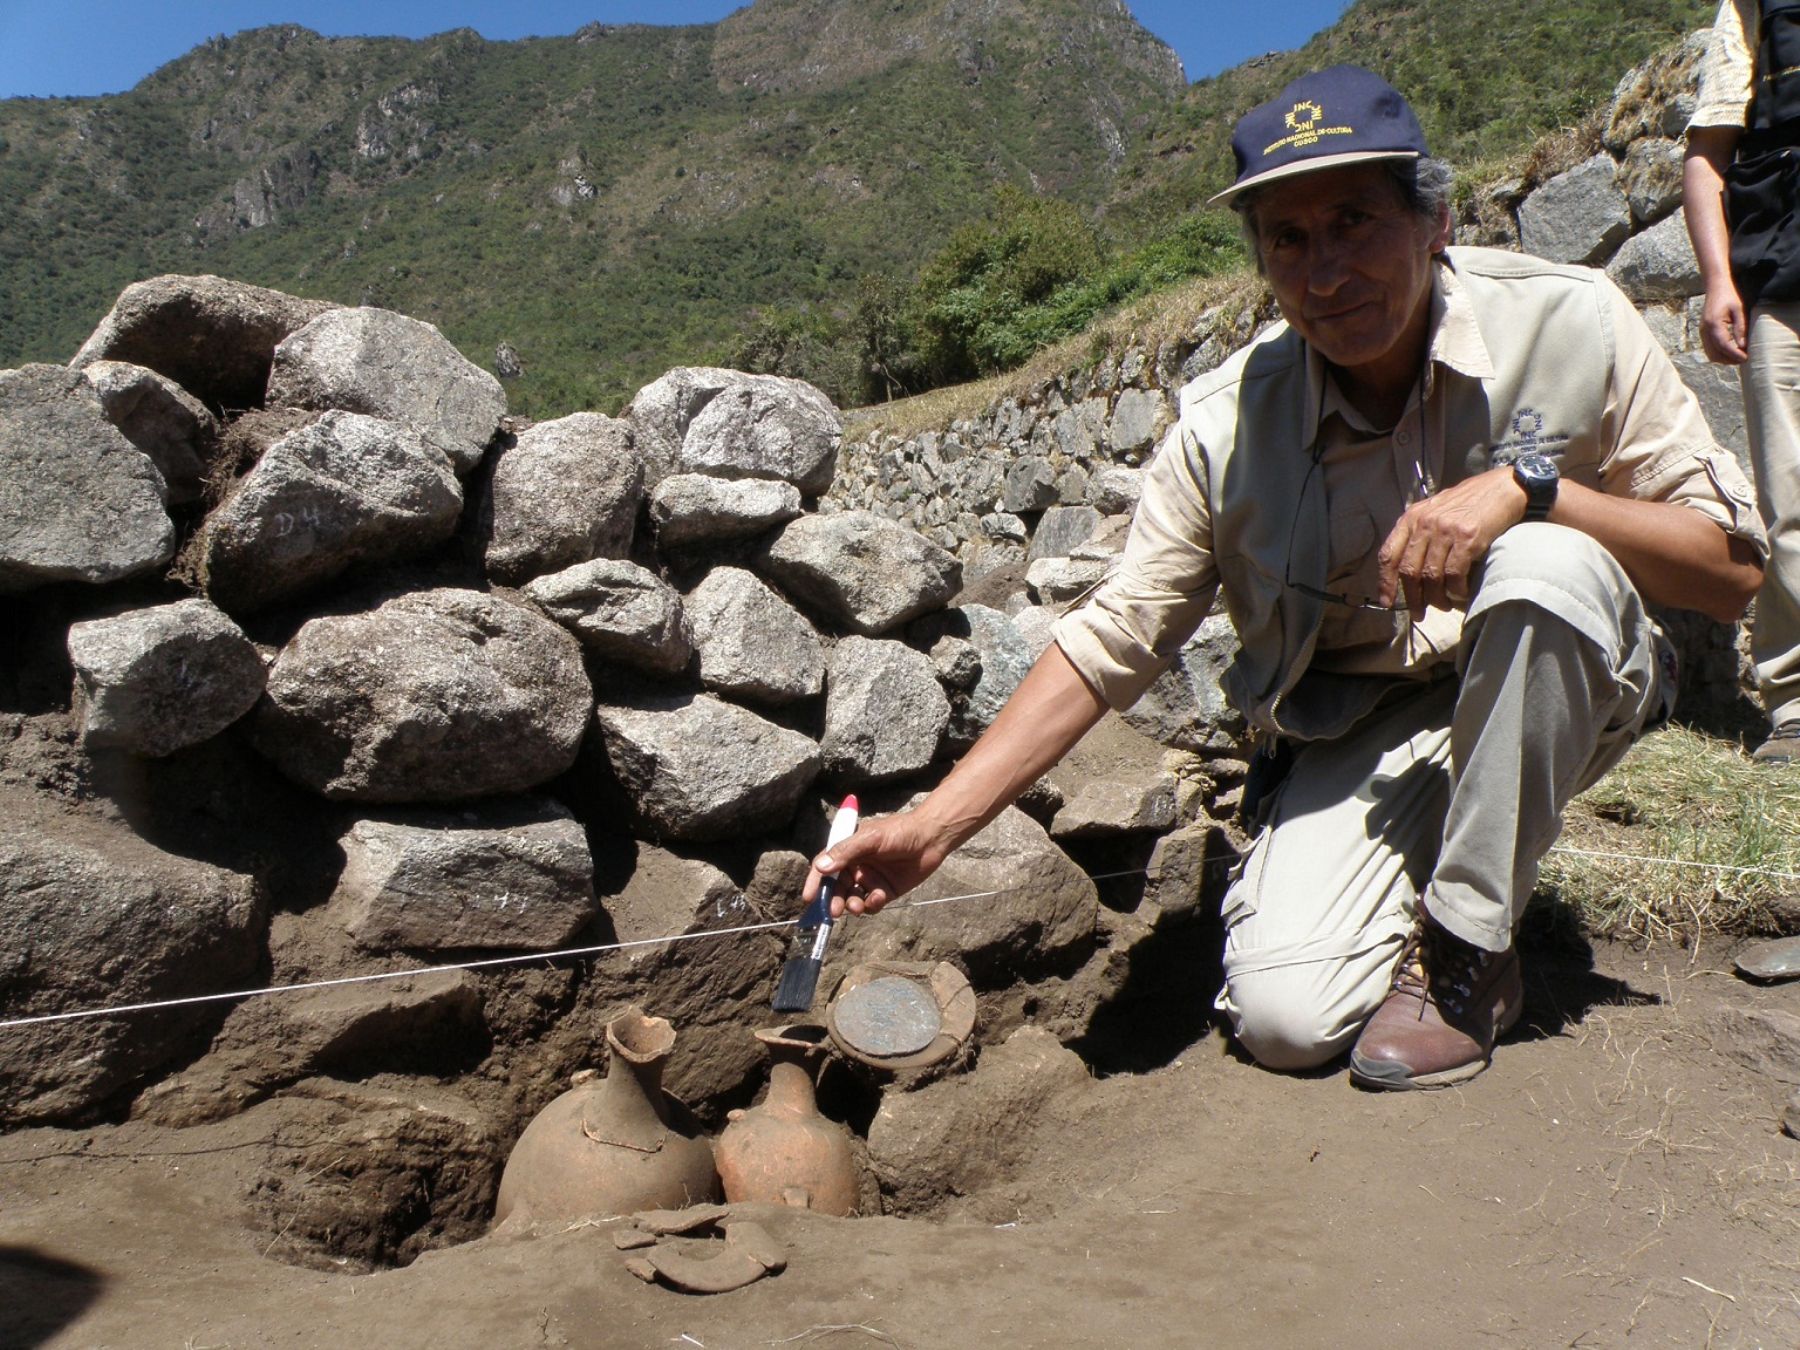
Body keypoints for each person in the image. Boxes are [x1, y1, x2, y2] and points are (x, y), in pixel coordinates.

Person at [806, 66, 1767, 1090]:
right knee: (1285, 1020)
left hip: (1569, 679)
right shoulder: (1225, 426)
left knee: (1543, 561)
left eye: (1354, 221)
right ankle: (1421, 873)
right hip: (1362, 727)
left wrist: (1534, 493)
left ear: (1434, 221)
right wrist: (935, 828)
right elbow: (1115, 639)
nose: (1324, 272)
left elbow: (1734, 572)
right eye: (1289, 239)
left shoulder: (1570, 323)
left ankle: (1466, 953)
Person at [1684, 0, 1800, 763]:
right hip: (1785, 292)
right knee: (1791, 500)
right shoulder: (1754, 8)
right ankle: (1795, 706)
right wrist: (1718, 280)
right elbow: (1706, 154)